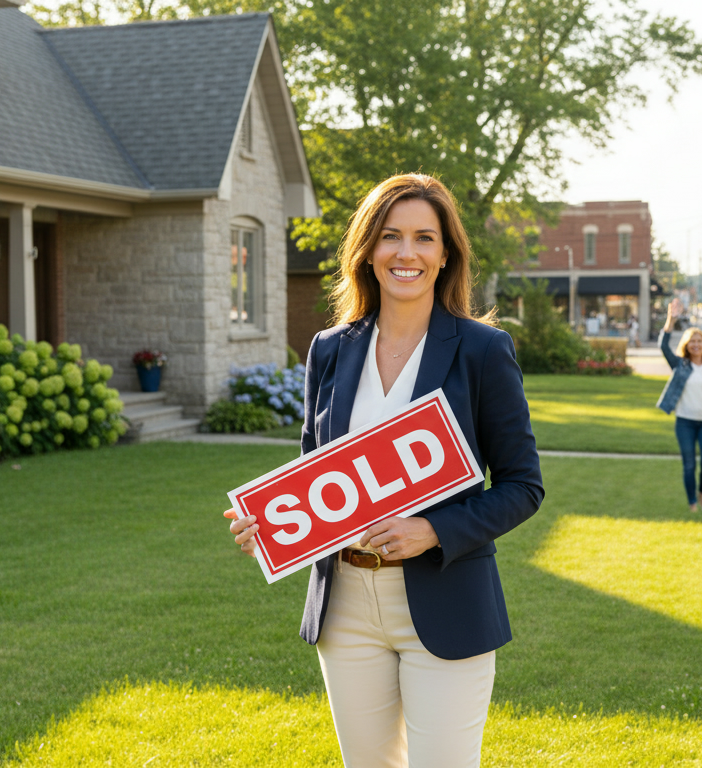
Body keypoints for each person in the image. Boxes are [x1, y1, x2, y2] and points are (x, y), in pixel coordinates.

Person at [224, 174, 544, 768]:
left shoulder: (481, 350)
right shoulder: (330, 348)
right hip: (344, 605)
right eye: (391, 236)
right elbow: (315, 470)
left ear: (445, 253)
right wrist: (272, 527)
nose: (407, 253)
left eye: (424, 238)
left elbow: (524, 486)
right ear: (368, 250)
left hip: (446, 599)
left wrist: (434, 531)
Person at [655, 299, 702, 512]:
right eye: (692, 341)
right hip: (685, 421)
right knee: (689, 464)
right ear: (686, 345)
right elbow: (663, 346)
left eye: (699, 341)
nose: (696, 345)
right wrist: (671, 319)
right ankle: (693, 503)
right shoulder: (680, 365)